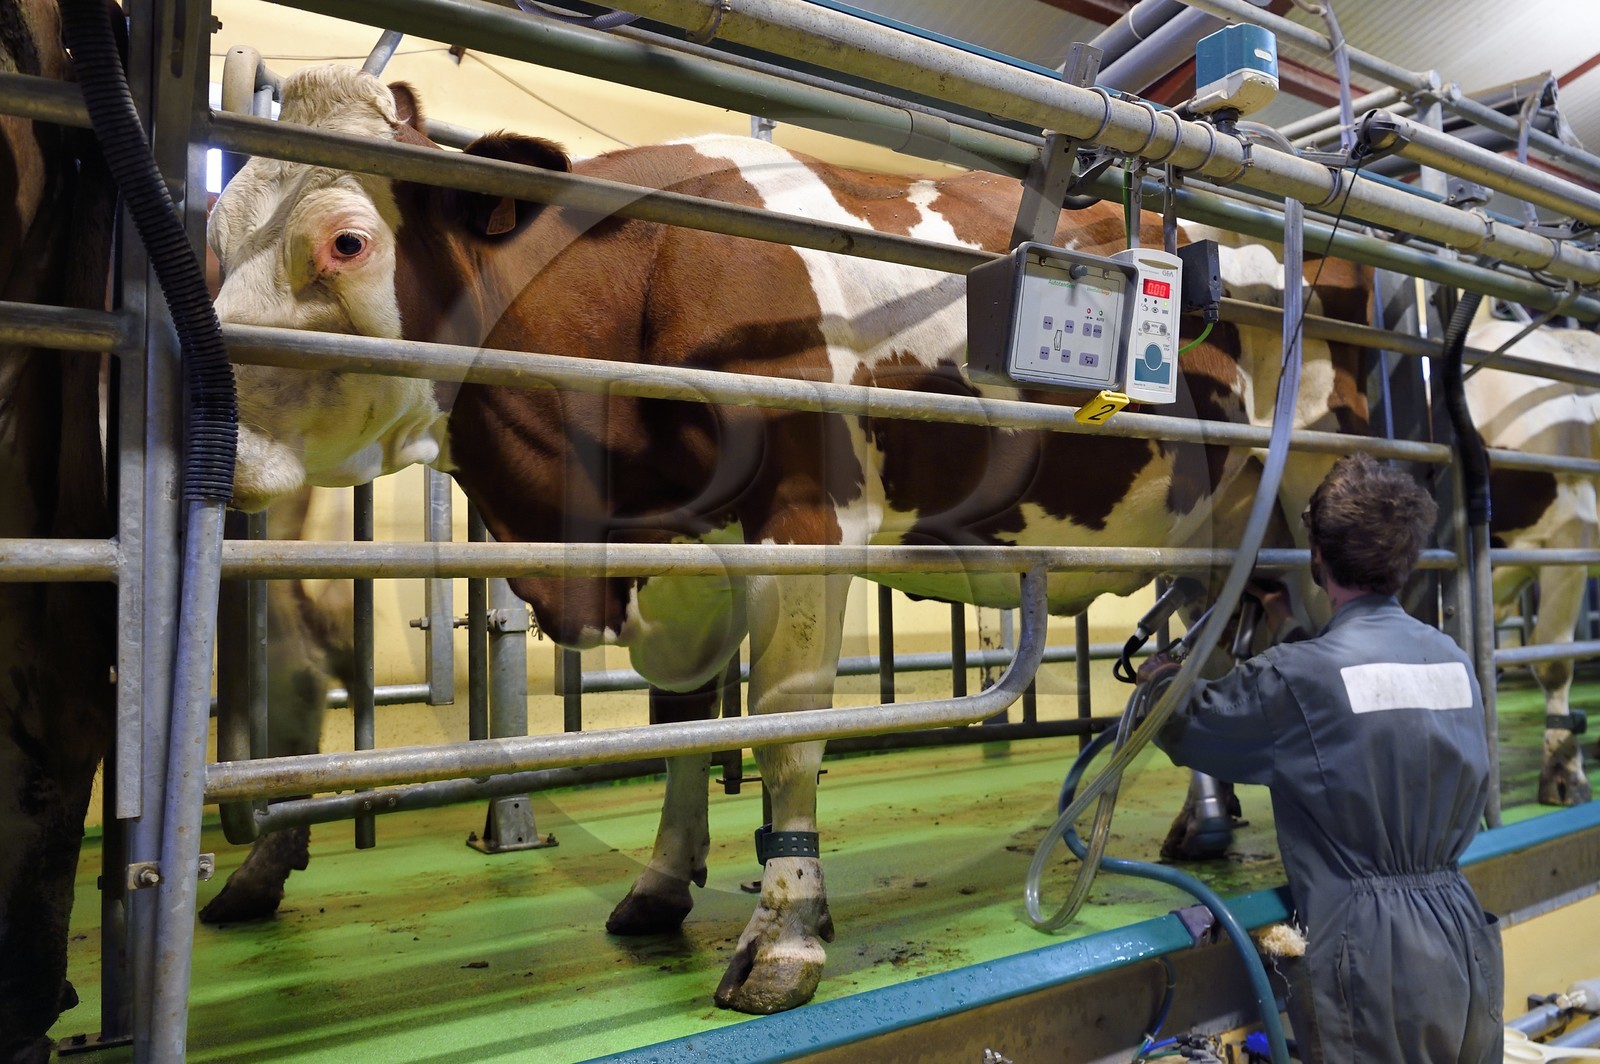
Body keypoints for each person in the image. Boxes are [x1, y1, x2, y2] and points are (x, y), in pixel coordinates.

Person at [1140, 452, 1504, 1063]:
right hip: (1460, 930)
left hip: (1373, 952)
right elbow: (1353, 706)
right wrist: (1286, 626)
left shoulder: (1296, 677)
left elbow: (1194, 726)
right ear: (1405, 558)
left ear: (1316, 557)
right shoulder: (1453, 660)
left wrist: (1158, 682)